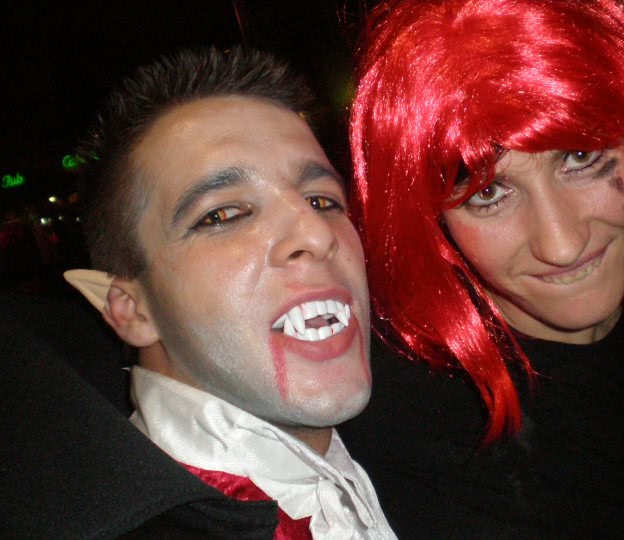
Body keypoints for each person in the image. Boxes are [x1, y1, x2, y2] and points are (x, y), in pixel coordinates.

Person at [337, 0, 624, 537]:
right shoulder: (416, 424)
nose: (562, 245)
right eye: (488, 193)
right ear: (432, 226)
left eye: (580, 157)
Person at [17, 45, 395, 539]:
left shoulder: (414, 457)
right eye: (223, 215)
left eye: (322, 201)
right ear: (132, 310)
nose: (317, 234)